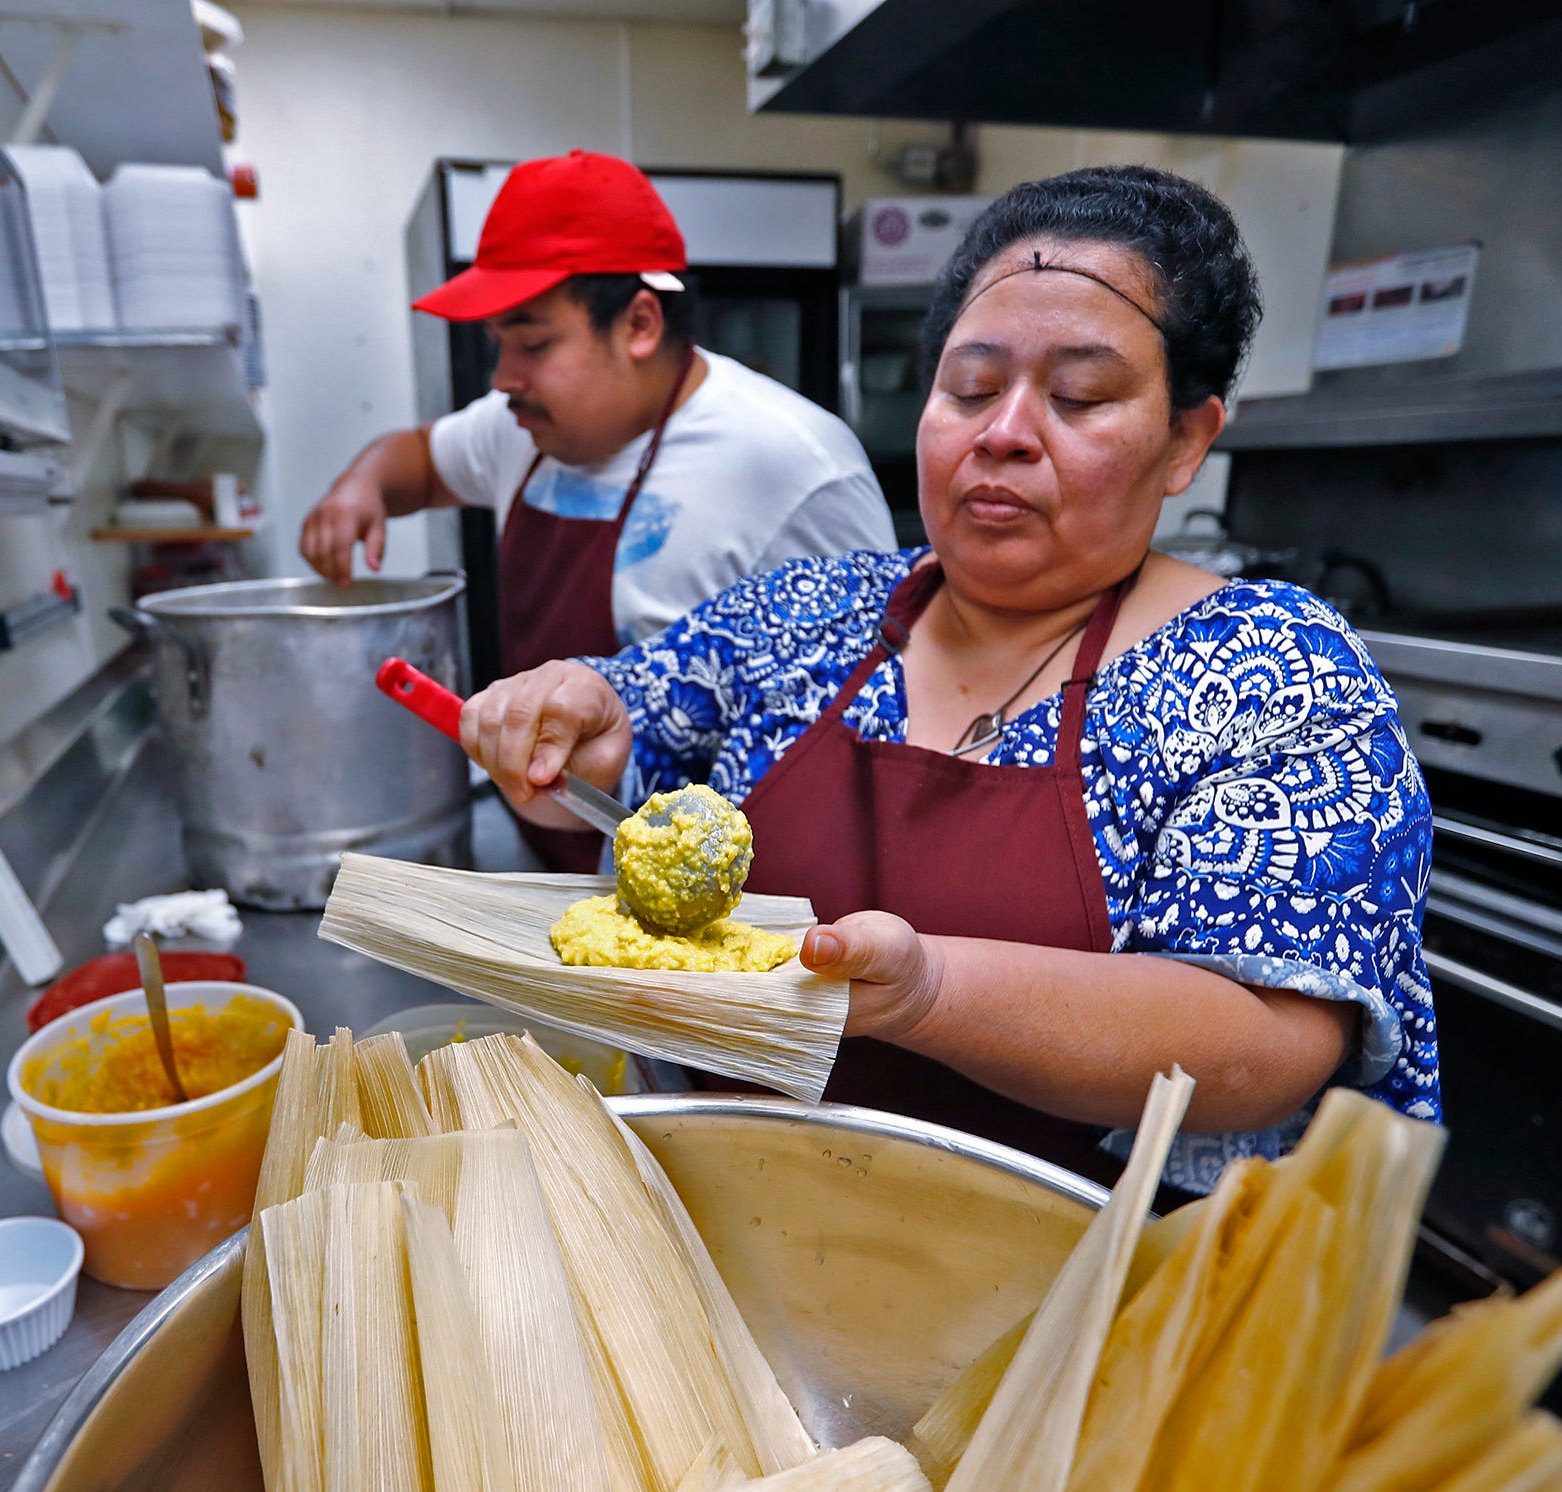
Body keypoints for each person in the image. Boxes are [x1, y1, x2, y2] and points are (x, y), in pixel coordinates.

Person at [459, 165, 1438, 1193]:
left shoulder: (1271, 673)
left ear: (1186, 439)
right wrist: (582, 723)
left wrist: (927, 992)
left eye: (1079, 396)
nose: (1001, 431)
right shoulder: (807, 615)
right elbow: (636, 729)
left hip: (1069, 1285)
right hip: (725, 1219)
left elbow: (1266, 1047)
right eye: (968, 388)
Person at [300, 150, 895, 870]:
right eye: (496, 345)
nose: (502, 378)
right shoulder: (518, 424)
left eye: (533, 343)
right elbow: (419, 460)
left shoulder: (795, 465)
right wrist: (360, 486)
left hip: (711, 905)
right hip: (545, 857)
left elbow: (873, 731)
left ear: (640, 324)